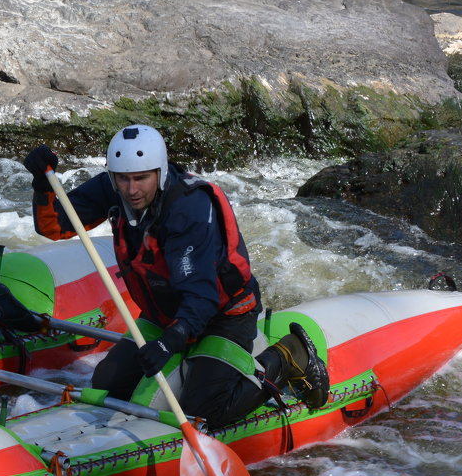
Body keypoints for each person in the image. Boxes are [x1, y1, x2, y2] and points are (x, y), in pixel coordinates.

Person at [22, 124, 329, 428]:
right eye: (123, 179)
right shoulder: (113, 188)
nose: (132, 189)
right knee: (106, 383)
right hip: (164, 314)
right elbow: (55, 226)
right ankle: (186, 360)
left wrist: (168, 345)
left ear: (161, 172)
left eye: (141, 178)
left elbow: (201, 296)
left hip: (223, 316)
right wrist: (42, 183)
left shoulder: (189, 209)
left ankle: (289, 355)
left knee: (205, 413)